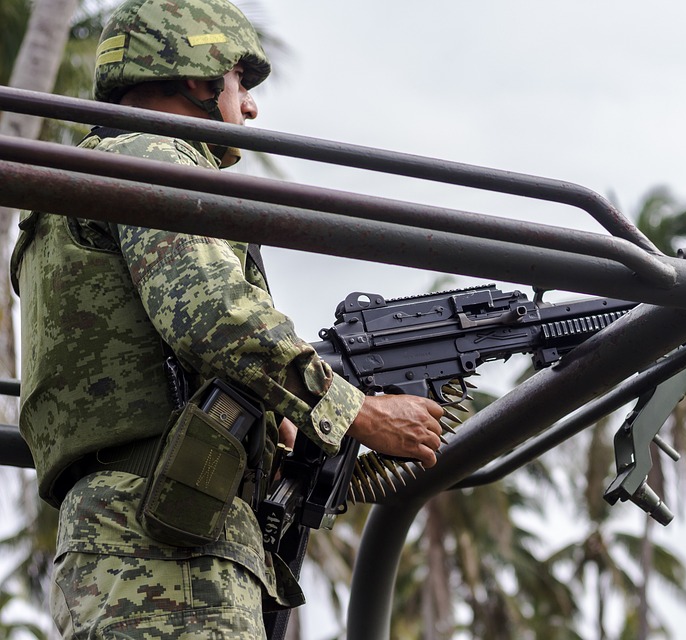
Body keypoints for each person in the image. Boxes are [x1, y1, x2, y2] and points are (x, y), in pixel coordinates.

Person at [10, 0, 444, 637]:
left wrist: (272, 420)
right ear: (197, 77)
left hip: (122, 533)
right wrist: (357, 411)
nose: (251, 107)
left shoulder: (79, 180)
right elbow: (214, 315)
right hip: (169, 551)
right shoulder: (153, 156)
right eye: (243, 82)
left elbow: (138, 352)